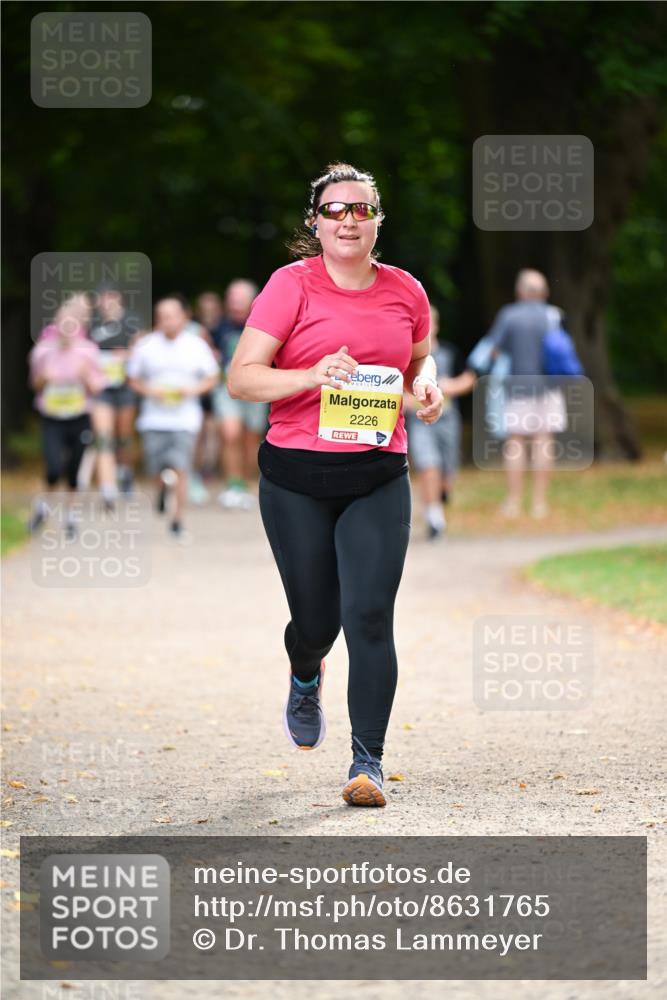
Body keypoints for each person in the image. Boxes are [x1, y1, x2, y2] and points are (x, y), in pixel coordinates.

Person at [227, 163, 443, 807]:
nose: (349, 220)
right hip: (295, 477)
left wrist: (424, 388)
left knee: (370, 616)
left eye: (361, 209)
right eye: (336, 210)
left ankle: (367, 763)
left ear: (378, 220)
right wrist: (311, 376)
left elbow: (419, 357)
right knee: (317, 622)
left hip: (377, 474)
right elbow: (242, 380)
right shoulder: (289, 287)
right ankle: (303, 670)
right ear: (316, 223)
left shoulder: (406, 290)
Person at [441, 269, 566, 518]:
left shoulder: (509, 316)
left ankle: (514, 502)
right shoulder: (554, 315)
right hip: (550, 387)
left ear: (520, 292)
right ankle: (540, 504)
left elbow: (491, 349)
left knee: (516, 443)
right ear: (544, 292)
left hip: (517, 388)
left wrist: (474, 371)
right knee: (543, 442)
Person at [126, 296, 219, 537]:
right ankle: (163, 490)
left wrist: (192, 390)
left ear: (183, 317)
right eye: (163, 316)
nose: (168, 321)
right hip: (153, 419)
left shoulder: (196, 345)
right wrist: (150, 391)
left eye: (172, 316)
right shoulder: (146, 345)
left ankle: (178, 519)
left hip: (185, 419)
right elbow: (133, 379)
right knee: (157, 469)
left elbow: (211, 378)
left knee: (181, 467)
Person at [28, 296, 106, 538]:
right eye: (62, 322)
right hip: (52, 417)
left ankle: (71, 516)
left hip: (79, 416)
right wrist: (44, 378)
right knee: (53, 467)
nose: (67, 328)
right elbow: (34, 384)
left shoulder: (89, 351)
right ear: (55, 324)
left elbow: (98, 387)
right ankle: (43, 505)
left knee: (73, 469)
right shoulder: (42, 351)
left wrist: (85, 377)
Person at [405, 305, 463, 539]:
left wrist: (449, 387)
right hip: (419, 421)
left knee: (446, 470)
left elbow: (470, 378)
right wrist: (407, 400)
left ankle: (442, 494)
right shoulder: (405, 356)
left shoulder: (450, 353)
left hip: (448, 420)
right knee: (428, 465)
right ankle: (434, 517)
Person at [213, 279, 267, 510]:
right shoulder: (219, 327)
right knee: (230, 434)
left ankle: (245, 485)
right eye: (231, 298)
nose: (235, 303)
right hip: (227, 388)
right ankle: (232, 485)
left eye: (239, 298)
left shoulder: (263, 324)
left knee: (251, 439)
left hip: (257, 387)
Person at [89, 286, 144, 506]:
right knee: (103, 434)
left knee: (124, 433)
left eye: (110, 297)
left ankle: (125, 471)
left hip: (125, 385)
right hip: (101, 388)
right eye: (102, 299)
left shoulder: (132, 320)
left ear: (119, 298)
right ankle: (107, 487)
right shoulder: (92, 323)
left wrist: (126, 355)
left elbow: (143, 348)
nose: (106, 303)